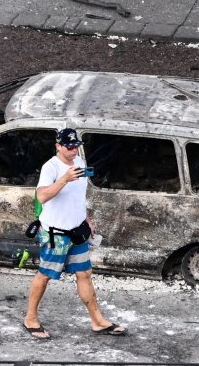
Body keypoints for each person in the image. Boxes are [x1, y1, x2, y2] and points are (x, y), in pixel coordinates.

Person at [22, 127, 127, 339]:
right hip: (55, 234)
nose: (73, 151)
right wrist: (64, 179)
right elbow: (41, 197)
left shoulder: (79, 163)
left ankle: (97, 321)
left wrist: (86, 219)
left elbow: (78, 196)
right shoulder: (50, 167)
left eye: (76, 146)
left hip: (77, 231)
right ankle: (30, 318)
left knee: (85, 274)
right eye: (69, 147)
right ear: (58, 146)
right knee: (44, 275)